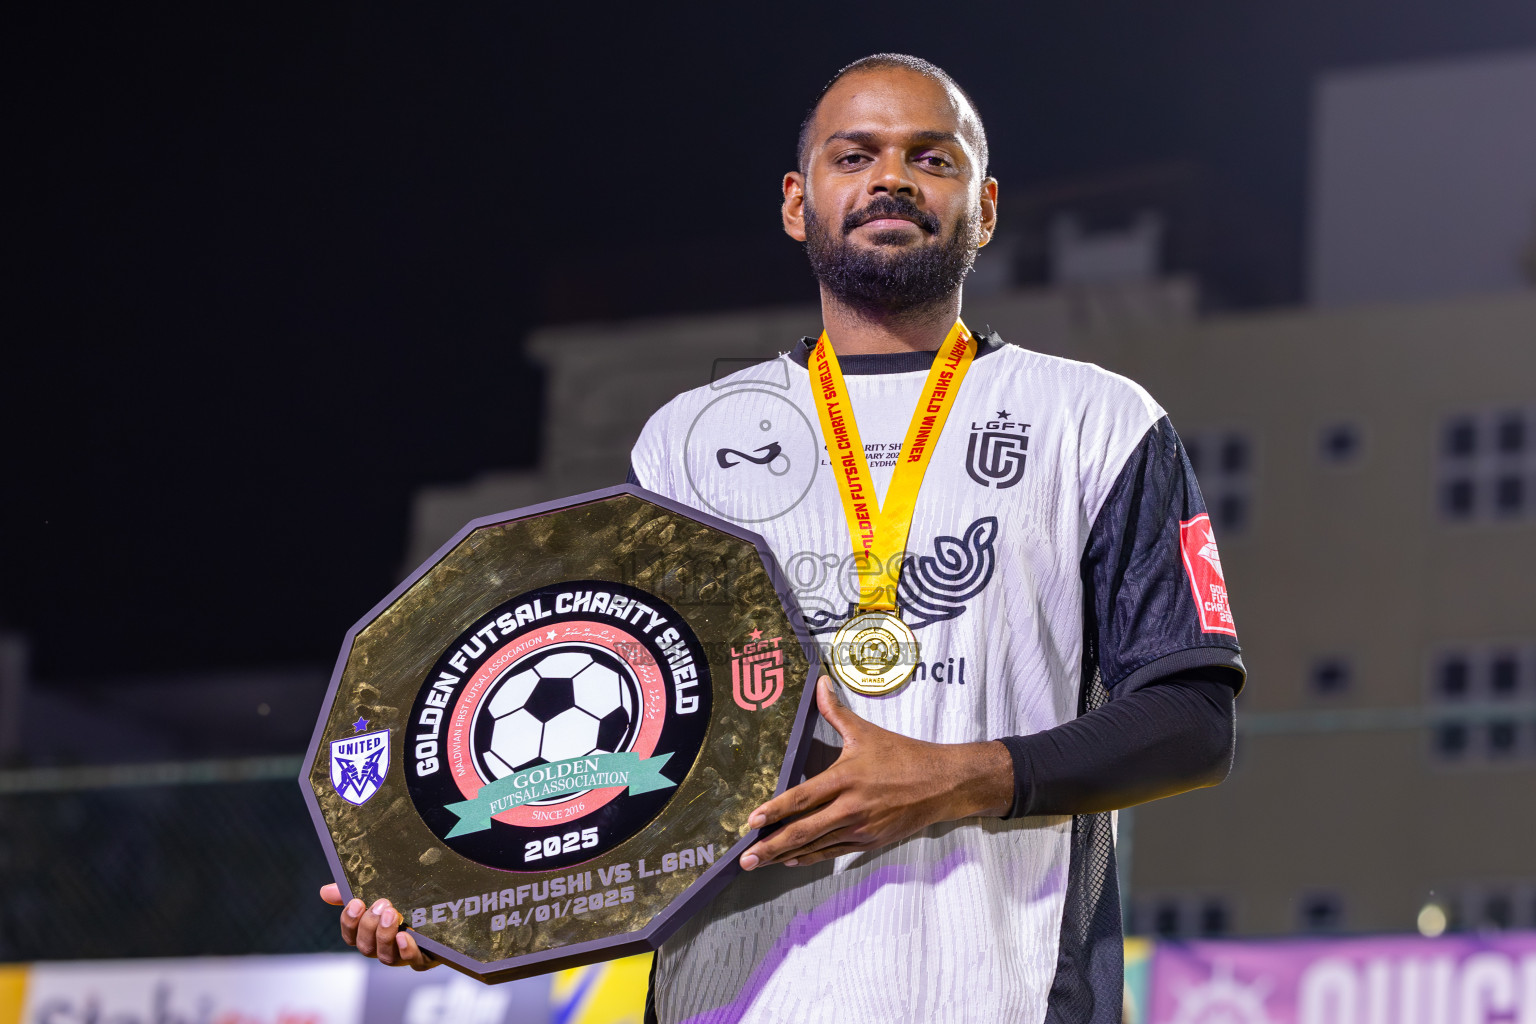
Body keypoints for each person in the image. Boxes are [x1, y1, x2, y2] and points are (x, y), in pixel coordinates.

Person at [322, 53, 1244, 1024]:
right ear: (799, 203)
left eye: (931, 158)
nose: (892, 177)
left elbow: (1192, 718)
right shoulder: (687, 439)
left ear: (987, 205)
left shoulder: (1097, 420)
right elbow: (620, 723)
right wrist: (457, 898)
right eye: (857, 155)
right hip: (733, 1000)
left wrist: (949, 780)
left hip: (1006, 993)